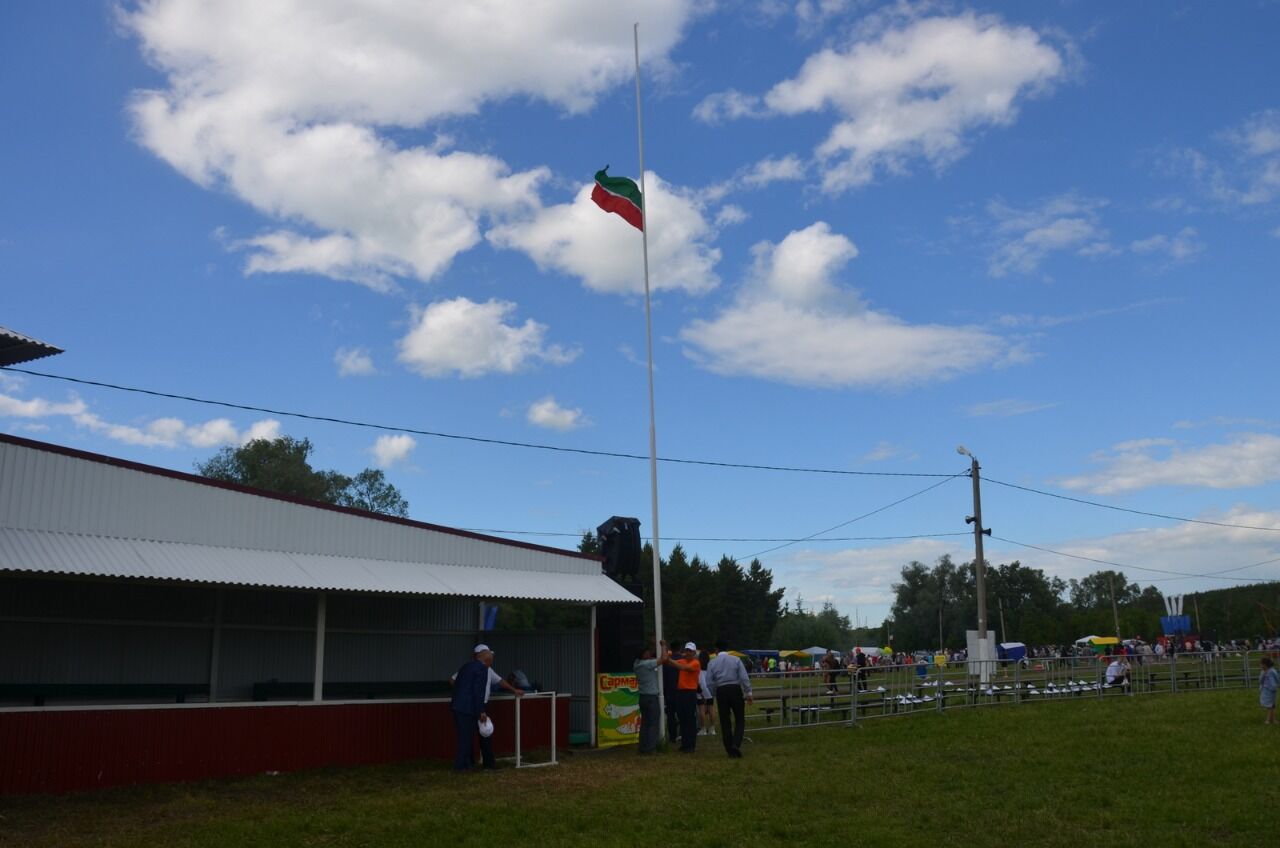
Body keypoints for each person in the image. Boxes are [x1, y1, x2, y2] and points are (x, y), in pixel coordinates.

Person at [706, 639, 753, 758]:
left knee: (725, 721)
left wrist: (714, 693)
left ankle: (729, 749)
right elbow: (744, 677)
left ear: (716, 650)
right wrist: (748, 692)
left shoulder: (712, 663)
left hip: (721, 691)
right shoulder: (736, 659)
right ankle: (736, 744)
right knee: (740, 719)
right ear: (727, 649)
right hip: (735, 689)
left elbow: (709, 682)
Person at [633, 641, 669, 754]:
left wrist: (653, 644)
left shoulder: (637, 663)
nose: (650, 653)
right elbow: (663, 659)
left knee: (644, 724)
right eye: (647, 652)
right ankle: (651, 748)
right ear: (643, 654)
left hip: (643, 697)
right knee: (653, 724)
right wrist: (663, 645)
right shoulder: (647, 664)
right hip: (651, 698)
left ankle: (643, 747)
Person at [666, 642, 703, 752]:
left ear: (694, 652)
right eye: (687, 650)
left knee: (690, 719)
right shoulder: (683, 660)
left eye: (690, 651)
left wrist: (670, 658)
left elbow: (683, 667)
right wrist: (666, 652)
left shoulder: (695, 663)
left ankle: (691, 745)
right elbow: (670, 663)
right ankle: (685, 743)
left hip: (690, 693)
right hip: (681, 692)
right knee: (682, 719)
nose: (688, 653)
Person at [1259, 657, 1278, 725]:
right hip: (1265, 690)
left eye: (1261, 664)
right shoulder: (1263, 671)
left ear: (1265, 664)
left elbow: (1277, 678)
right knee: (1270, 705)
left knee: (1270, 705)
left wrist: (1275, 685)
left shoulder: (1272, 671)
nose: (1260, 665)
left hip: (1271, 690)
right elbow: (1260, 681)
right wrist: (1264, 674)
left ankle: (1268, 720)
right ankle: (1273, 720)